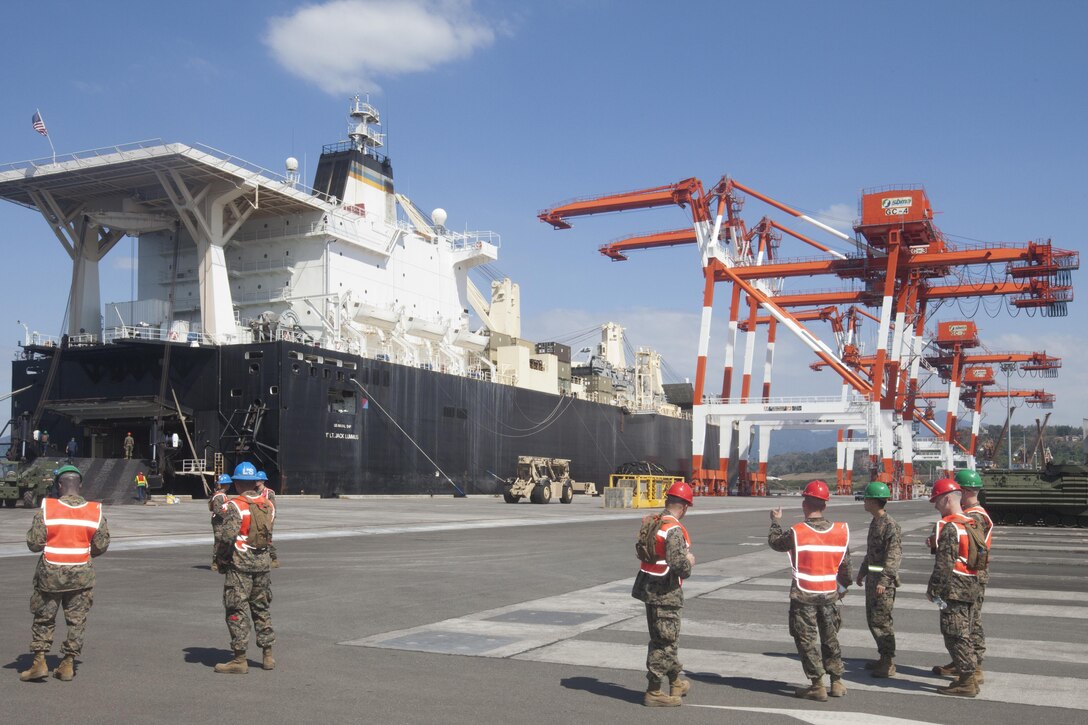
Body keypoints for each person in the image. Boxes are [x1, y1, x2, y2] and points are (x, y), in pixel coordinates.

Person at [18, 465, 110, 682]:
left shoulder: (48, 509)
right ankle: (68, 664)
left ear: (59, 485)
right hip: (81, 574)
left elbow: (34, 543)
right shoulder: (94, 510)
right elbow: (101, 544)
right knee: (77, 621)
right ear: (79, 485)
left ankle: (39, 662)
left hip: (50, 574)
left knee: (44, 618)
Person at [768, 479, 852, 702]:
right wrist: (842, 587)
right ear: (825, 505)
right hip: (829, 595)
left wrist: (775, 522)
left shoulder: (797, 532)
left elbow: (775, 542)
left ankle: (817, 684)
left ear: (805, 504)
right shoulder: (840, 532)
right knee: (830, 637)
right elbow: (846, 567)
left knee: (805, 639)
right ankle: (837, 682)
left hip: (805, 595)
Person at [631, 481, 695, 707]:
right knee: (665, 642)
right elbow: (679, 565)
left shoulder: (654, 521)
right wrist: (689, 561)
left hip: (649, 589)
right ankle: (654, 692)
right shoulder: (673, 529)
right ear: (685, 507)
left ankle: (676, 680)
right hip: (666, 593)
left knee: (665, 638)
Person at [213, 461, 276, 674]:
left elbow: (227, 537)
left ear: (237, 483)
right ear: (254, 481)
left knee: (236, 609)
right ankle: (267, 655)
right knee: (261, 608)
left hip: (240, 565)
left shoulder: (235, 505)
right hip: (263, 565)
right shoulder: (268, 505)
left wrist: (220, 560)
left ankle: (239, 659)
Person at [931, 469, 992, 686]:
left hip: (965, 576)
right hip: (972, 574)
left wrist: (934, 588)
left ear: (963, 491)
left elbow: (957, 554)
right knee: (966, 624)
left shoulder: (971, 517)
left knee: (965, 625)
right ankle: (964, 664)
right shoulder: (974, 515)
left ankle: (972, 668)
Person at [854, 481, 902, 678]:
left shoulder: (890, 525)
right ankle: (883, 658)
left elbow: (893, 556)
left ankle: (888, 662)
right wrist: (863, 571)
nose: (864, 501)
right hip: (873, 580)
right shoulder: (876, 522)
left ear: (873, 501)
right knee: (873, 620)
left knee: (882, 622)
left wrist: (883, 581)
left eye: (866, 498)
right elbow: (872, 552)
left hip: (883, 583)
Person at [254, 471, 279, 568]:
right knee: (257, 538)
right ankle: (259, 559)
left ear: (263, 481)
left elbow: (273, 508)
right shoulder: (255, 493)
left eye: (258, 480)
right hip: (257, 519)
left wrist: (270, 521)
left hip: (267, 519)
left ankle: (274, 558)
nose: (256, 481)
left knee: (267, 539)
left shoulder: (269, 493)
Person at [209, 473, 232, 572]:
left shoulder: (222, 495)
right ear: (226, 484)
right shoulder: (219, 496)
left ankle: (222, 562)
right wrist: (228, 517)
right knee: (219, 542)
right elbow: (217, 510)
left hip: (222, 522)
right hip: (219, 523)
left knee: (224, 542)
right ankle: (215, 563)